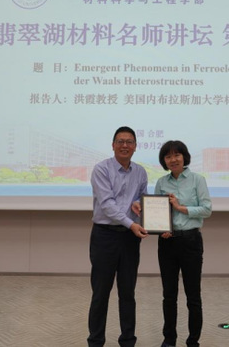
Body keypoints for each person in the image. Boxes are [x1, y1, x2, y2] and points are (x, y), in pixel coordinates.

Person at [88, 126, 149, 347]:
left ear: (135, 146)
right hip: (105, 236)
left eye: (129, 142)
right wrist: (132, 223)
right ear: (113, 145)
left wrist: (139, 204)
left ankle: (128, 341)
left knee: (128, 293)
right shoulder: (101, 169)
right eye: (120, 141)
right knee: (101, 293)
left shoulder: (140, 172)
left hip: (129, 239)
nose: (125, 145)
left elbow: (142, 199)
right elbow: (107, 205)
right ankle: (96, 342)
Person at [154, 140, 212, 347]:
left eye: (176, 155)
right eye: (168, 156)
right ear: (164, 161)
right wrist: (160, 228)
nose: (173, 159)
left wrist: (180, 207)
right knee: (169, 296)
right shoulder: (161, 183)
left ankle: (193, 341)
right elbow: (156, 212)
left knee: (193, 295)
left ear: (184, 157)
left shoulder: (197, 180)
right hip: (167, 243)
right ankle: (169, 339)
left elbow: (207, 209)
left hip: (190, 241)